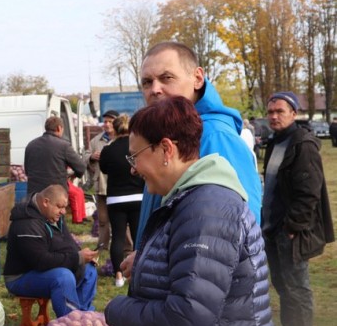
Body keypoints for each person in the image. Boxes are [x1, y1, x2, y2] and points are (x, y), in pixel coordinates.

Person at [99, 96, 288, 326]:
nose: (132, 168)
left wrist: (115, 310)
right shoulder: (188, 202)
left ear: (166, 149)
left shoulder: (207, 209)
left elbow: (185, 317)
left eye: (136, 155)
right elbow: (173, 294)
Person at [122, 41, 262, 279]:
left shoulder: (214, 136)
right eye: (147, 82)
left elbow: (238, 230)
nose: (155, 89)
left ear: (197, 78)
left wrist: (152, 257)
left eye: (166, 78)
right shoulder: (170, 134)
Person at [262, 91, 334, 326]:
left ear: (294, 113)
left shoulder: (302, 144)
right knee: (282, 285)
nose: (274, 116)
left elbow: (309, 192)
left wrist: (292, 227)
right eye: (270, 112)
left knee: (297, 288)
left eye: (279, 111)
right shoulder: (275, 142)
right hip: (272, 228)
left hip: (289, 232)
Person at [3, 184, 99, 318]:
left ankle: (83, 317)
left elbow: (68, 243)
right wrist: (77, 258)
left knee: (89, 269)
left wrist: (83, 256)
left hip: (43, 270)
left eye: (65, 207)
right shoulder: (27, 223)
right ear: (46, 202)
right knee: (63, 277)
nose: (63, 211)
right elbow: (41, 261)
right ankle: (70, 323)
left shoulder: (53, 215)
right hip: (20, 277)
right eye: (60, 207)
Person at [98, 114, 143, 288]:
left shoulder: (108, 149)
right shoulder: (137, 147)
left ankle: (118, 275)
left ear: (114, 129)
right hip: (138, 196)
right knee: (138, 235)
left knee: (117, 236)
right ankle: (137, 271)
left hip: (116, 198)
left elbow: (104, 168)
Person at [83, 109, 119, 250]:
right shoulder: (96, 141)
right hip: (102, 186)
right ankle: (103, 246)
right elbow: (85, 157)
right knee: (103, 220)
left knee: (122, 221)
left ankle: (127, 247)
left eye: (110, 121)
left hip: (119, 186)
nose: (107, 124)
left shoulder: (123, 139)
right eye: (105, 121)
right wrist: (91, 157)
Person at [24, 116, 86, 195]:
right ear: (59, 128)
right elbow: (81, 167)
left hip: (34, 195)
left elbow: (27, 171)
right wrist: (74, 175)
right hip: (56, 196)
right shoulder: (64, 146)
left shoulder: (31, 145)